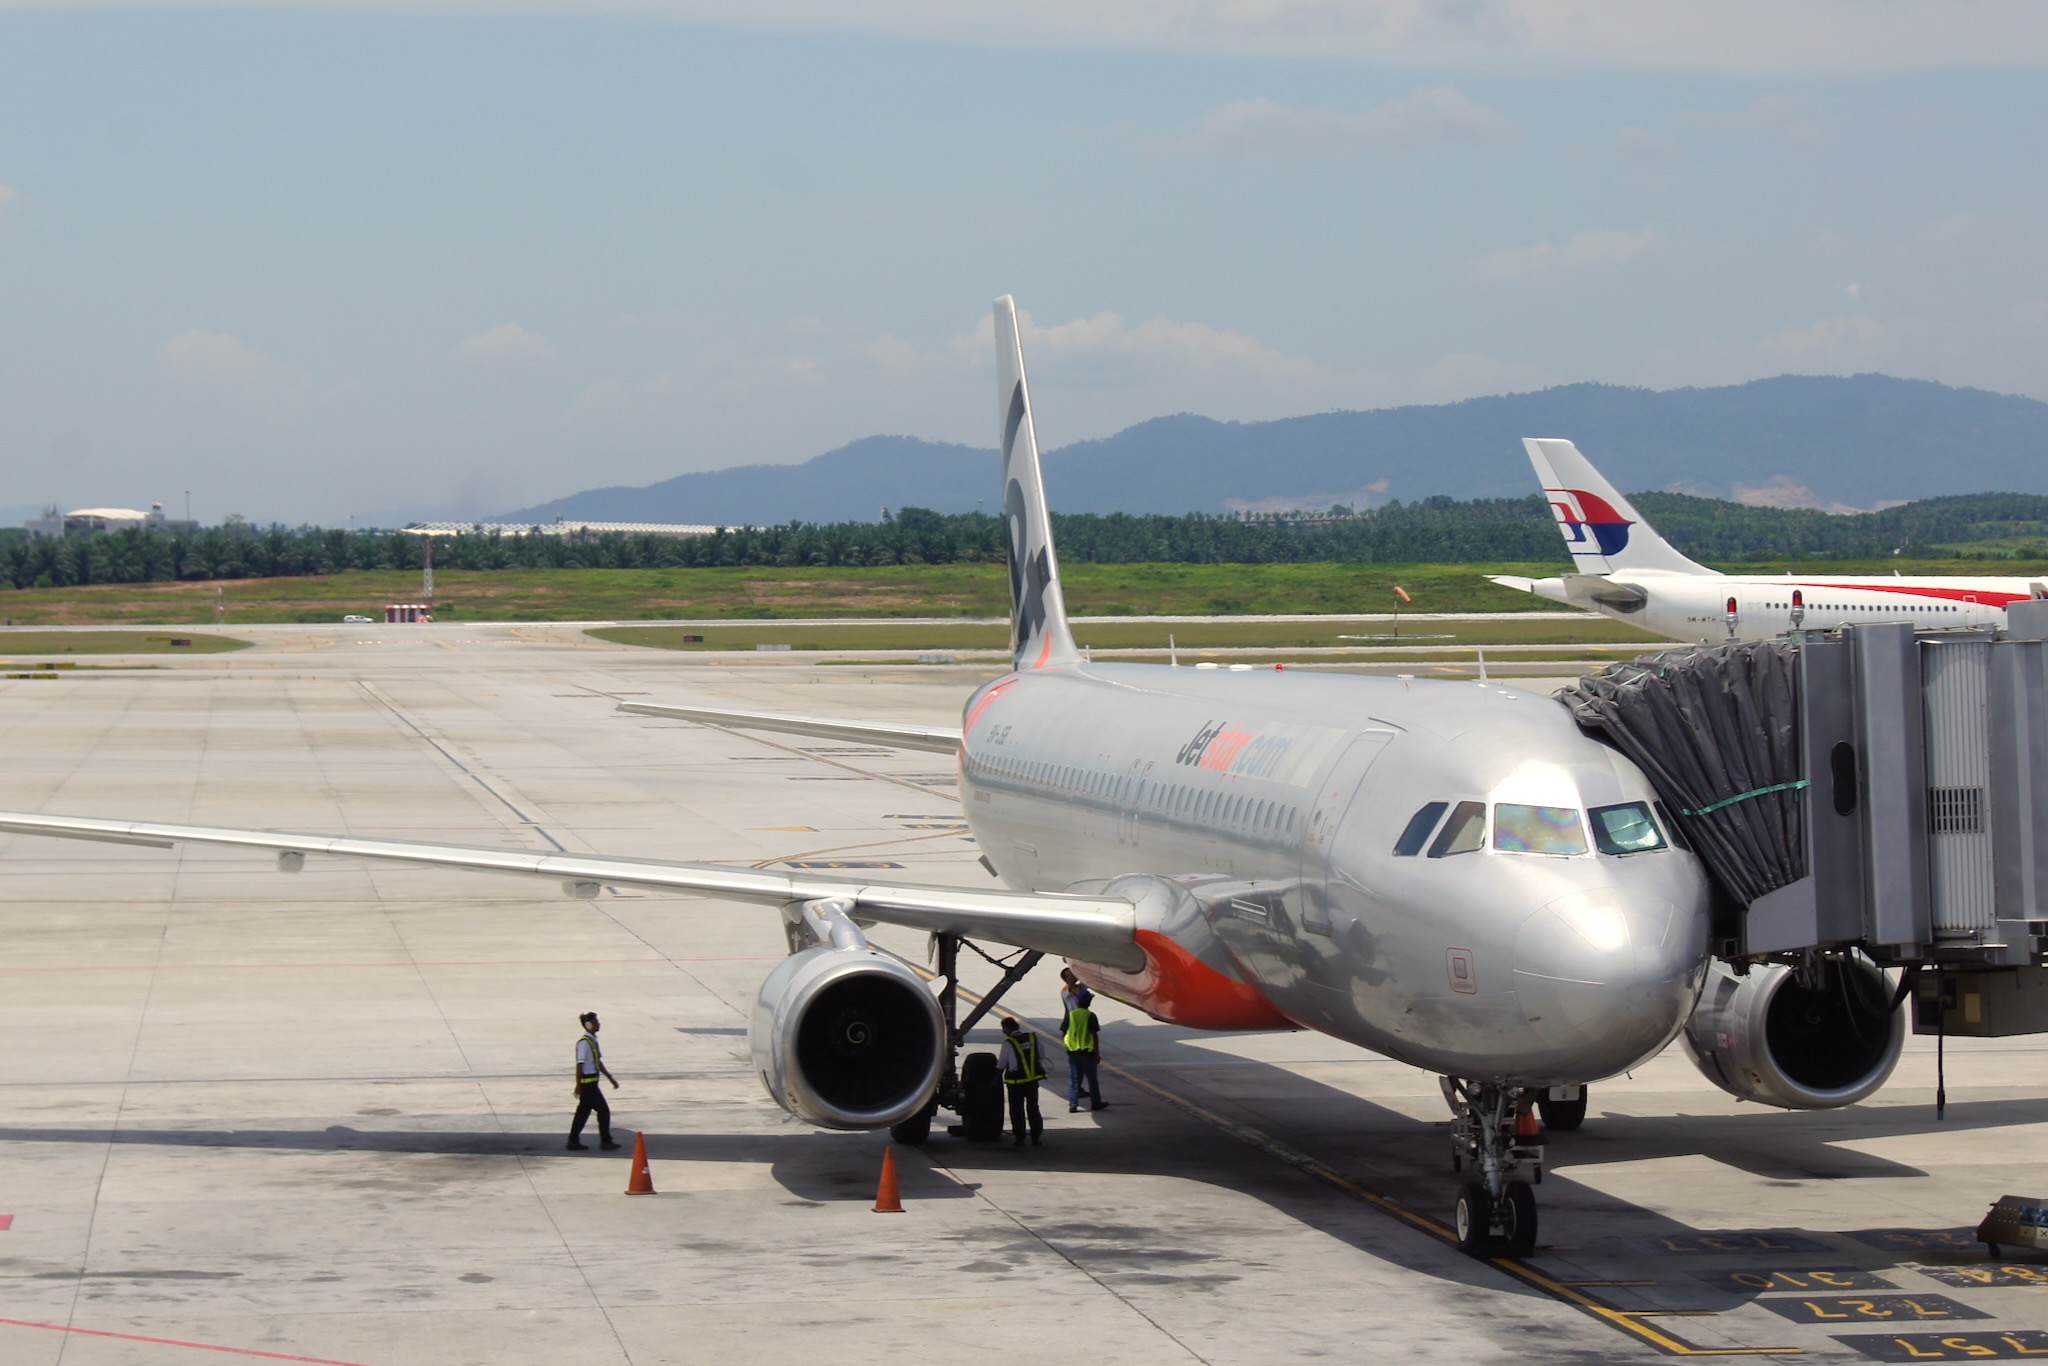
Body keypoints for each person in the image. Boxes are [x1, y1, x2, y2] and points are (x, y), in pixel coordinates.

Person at [568, 1011, 621, 1151]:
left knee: (582, 1113)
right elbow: (579, 1065)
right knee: (603, 1111)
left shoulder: (592, 1041)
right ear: (589, 1024)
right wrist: (578, 1085)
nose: (599, 1024)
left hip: (591, 1083)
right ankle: (606, 1141)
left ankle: (573, 1141)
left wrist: (610, 1078)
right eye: (596, 1022)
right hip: (588, 1085)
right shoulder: (584, 1043)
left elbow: (598, 1062)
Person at [998, 1016, 1045, 1147]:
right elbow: (1040, 1055)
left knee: (1017, 1111)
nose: (1003, 1032)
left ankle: (1020, 1138)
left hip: (1016, 1082)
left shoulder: (1009, 1043)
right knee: (1033, 1108)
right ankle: (1036, 1137)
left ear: (1007, 1028)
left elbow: (1001, 1064)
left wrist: (994, 1080)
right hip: (1032, 1081)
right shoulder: (1032, 1038)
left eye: (1003, 1029)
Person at [1063, 995, 1108, 1113]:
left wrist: (1068, 1045)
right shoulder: (1090, 1016)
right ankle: (1095, 1102)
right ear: (1088, 1003)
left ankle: (1073, 1104)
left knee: (1074, 1079)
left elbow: (1064, 1031)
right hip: (1087, 1052)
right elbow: (1094, 1035)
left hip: (1073, 1052)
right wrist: (1097, 1053)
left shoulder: (1071, 1015)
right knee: (1092, 1079)